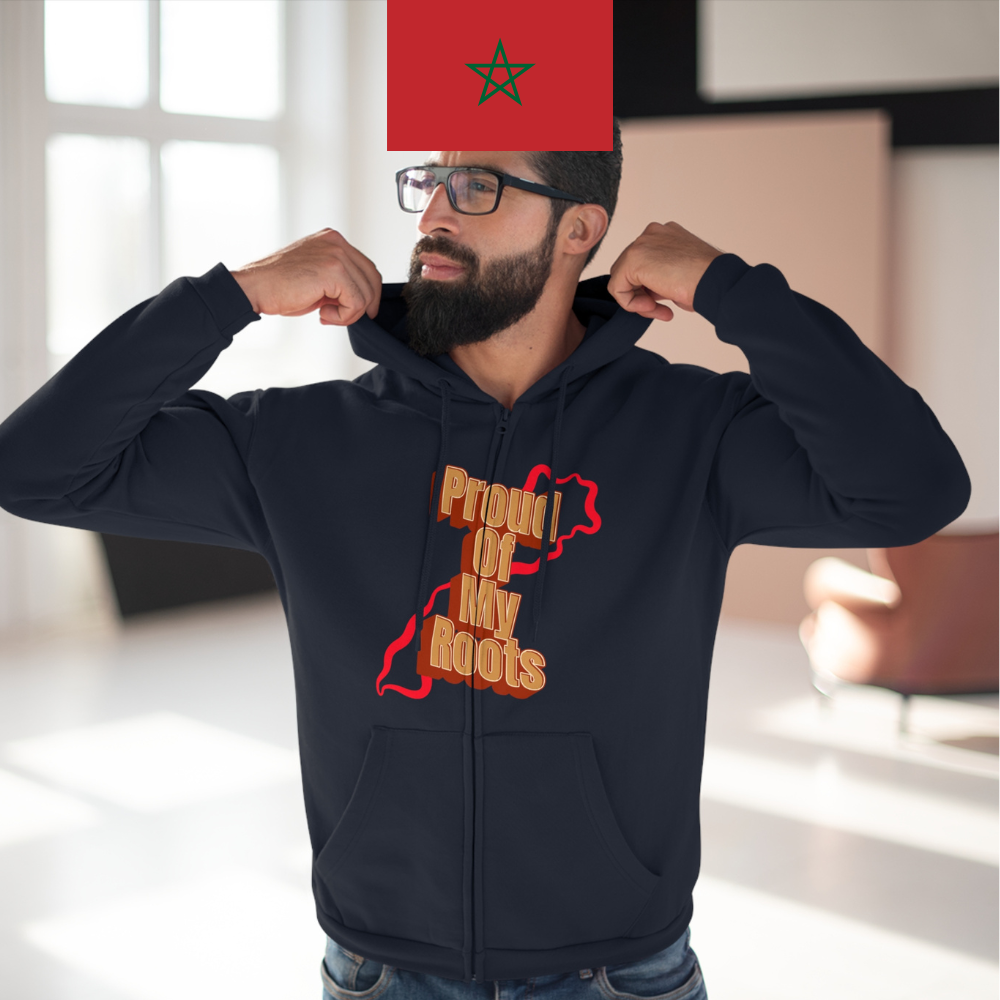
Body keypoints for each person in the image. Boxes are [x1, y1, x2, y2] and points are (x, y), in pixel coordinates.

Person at [0, 121, 970, 1000]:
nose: (432, 213)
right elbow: (36, 469)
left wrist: (727, 287)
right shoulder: (303, 440)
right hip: (382, 963)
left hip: (614, 967)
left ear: (579, 228)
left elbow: (915, 488)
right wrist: (234, 297)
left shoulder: (691, 431)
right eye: (429, 183)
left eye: (478, 188)